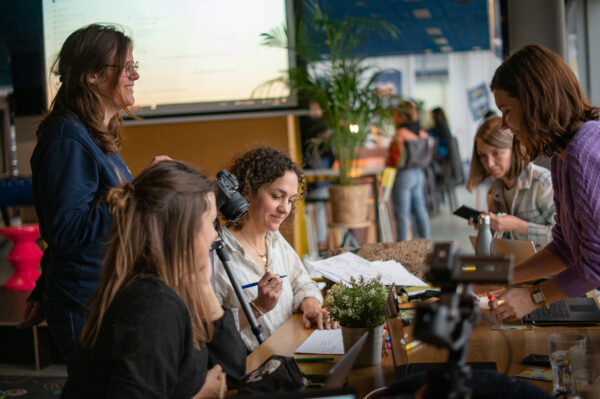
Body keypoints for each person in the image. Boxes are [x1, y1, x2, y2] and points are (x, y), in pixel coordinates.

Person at [17, 24, 167, 364]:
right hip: (87, 306)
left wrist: (43, 287)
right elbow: (67, 230)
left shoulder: (93, 134)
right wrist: (142, 188)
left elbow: (71, 224)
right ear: (93, 76)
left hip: (107, 298)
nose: (136, 75)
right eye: (126, 67)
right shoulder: (67, 140)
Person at [61, 161, 246, 398]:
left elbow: (233, 373)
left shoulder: (177, 286)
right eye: (210, 223)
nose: (215, 234)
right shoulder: (152, 306)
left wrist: (203, 286)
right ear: (183, 232)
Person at [485, 44, 600, 321]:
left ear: (534, 101)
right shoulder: (564, 157)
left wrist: (534, 297)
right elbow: (565, 247)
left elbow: (595, 264)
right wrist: (503, 277)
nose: (504, 124)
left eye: (507, 110)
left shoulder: (583, 154)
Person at [213, 146, 334, 351]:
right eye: (277, 196)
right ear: (249, 191)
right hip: (253, 366)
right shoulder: (217, 255)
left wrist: (311, 306)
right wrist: (257, 307)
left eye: (291, 200)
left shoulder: (275, 239)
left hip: (293, 352)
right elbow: (209, 333)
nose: (285, 209)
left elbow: (302, 283)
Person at [465, 115, 555, 249]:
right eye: (483, 155)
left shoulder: (542, 183)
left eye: (496, 153)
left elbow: (565, 238)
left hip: (546, 268)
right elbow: (501, 240)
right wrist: (489, 228)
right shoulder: (493, 191)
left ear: (514, 149)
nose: (489, 163)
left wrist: (519, 226)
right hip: (517, 266)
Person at [387, 101, 432, 241]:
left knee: (402, 215)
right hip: (419, 174)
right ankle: (426, 244)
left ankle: (401, 249)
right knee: (420, 211)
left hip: (404, 175)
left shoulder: (400, 133)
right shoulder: (422, 132)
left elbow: (394, 158)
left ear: (401, 116)